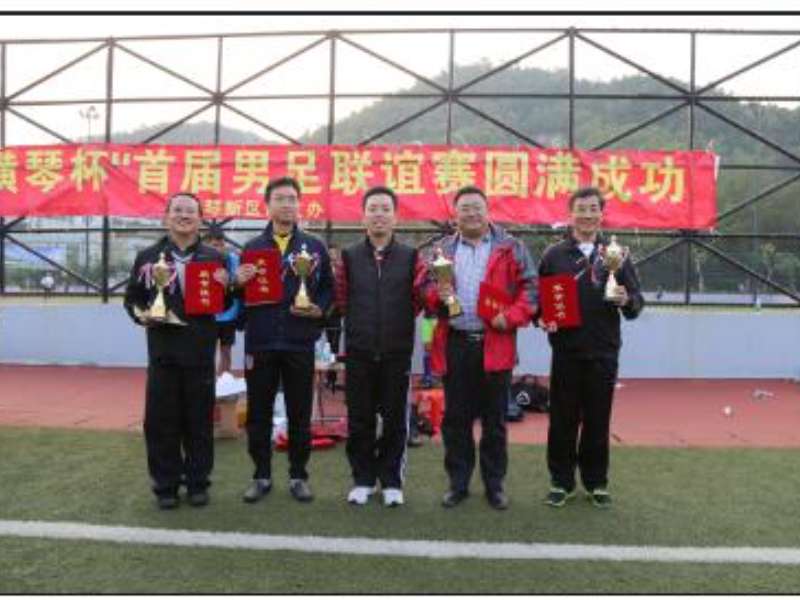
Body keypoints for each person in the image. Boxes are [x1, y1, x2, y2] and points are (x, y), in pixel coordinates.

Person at [423, 185, 537, 510]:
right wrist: (437, 296)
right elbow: (425, 288)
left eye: (477, 207)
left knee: (494, 421)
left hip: (495, 344)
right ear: (455, 214)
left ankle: (494, 485)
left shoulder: (512, 247)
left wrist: (510, 316)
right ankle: (458, 484)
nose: (471, 213)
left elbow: (531, 290)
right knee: (455, 420)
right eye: (465, 208)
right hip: (455, 343)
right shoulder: (442, 249)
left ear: (488, 211)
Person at [537, 186, 644, 509]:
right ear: (570, 214)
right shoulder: (554, 255)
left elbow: (637, 302)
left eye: (593, 209)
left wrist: (626, 299)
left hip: (604, 351)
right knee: (562, 420)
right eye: (581, 209)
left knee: (598, 420)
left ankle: (596, 482)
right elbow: (540, 302)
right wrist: (542, 318)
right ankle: (561, 482)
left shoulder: (617, 254)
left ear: (602, 213)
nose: (587, 215)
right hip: (566, 352)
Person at [123, 192, 230, 510]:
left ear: (200, 219)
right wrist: (143, 315)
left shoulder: (215, 257)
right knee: (160, 423)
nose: (184, 215)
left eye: (190, 211)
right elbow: (132, 299)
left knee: (199, 422)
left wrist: (228, 286)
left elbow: (224, 304)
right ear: (166, 217)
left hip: (200, 351)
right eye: (178, 210)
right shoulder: (147, 256)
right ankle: (165, 486)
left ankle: (197, 483)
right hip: (163, 352)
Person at [234, 176, 333, 504]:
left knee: (299, 412)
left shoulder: (314, 247)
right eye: (280, 199)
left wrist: (320, 310)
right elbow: (239, 297)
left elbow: (328, 289)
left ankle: (298, 476)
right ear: (268, 205)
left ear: (299, 204)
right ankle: (261, 475)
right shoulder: (252, 247)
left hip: (299, 341)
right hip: (261, 342)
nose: (287, 204)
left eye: (292, 199)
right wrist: (237, 282)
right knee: (258, 414)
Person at [334, 186, 426, 507]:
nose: (379, 215)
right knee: (359, 418)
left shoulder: (411, 257)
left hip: (396, 351)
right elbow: (342, 300)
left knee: (395, 419)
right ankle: (362, 479)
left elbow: (417, 301)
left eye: (385, 209)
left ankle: (391, 481)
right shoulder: (349, 256)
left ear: (395, 217)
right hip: (359, 350)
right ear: (363, 216)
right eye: (373, 209)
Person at [204, 225, 242, 376]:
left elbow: (238, 283)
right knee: (207, 352)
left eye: (221, 244)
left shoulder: (233, 259)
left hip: (229, 314)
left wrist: (229, 282)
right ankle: (208, 383)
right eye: (214, 245)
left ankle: (224, 383)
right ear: (206, 244)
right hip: (207, 314)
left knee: (226, 351)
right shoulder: (200, 259)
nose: (218, 248)